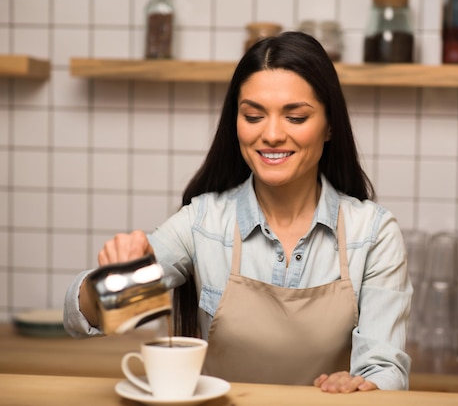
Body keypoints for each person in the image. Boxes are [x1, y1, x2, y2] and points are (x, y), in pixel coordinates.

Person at [64, 31, 412, 393]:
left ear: (329, 127)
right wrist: (112, 278)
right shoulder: (202, 223)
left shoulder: (373, 233)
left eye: (295, 117)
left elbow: (387, 370)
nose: (272, 134)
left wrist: (364, 385)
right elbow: (86, 318)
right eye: (253, 116)